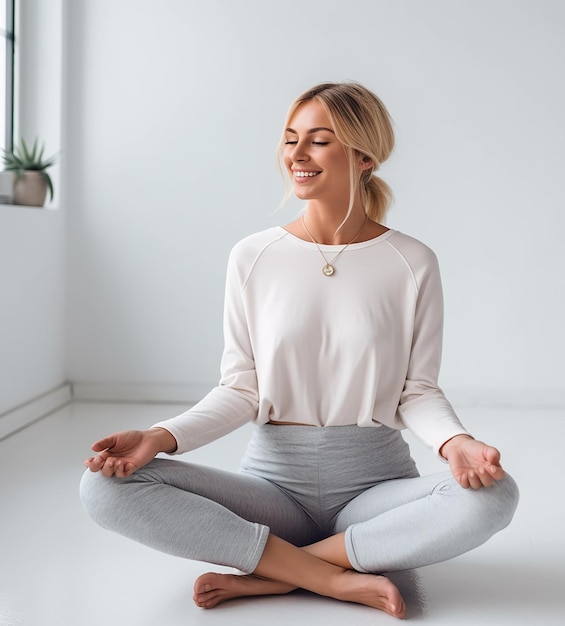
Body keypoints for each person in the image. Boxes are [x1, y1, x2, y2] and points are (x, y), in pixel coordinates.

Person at [80, 81, 518, 619]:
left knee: (495, 496)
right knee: (104, 487)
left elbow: (417, 390)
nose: (297, 155)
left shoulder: (411, 261)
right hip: (272, 490)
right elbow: (241, 388)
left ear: (364, 156)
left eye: (318, 140)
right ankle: (329, 577)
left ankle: (277, 575)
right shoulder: (253, 256)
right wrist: (158, 437)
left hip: (374, 490)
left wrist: (457, 444)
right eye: (290, 140)